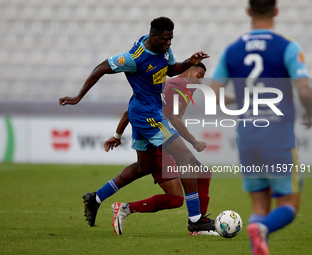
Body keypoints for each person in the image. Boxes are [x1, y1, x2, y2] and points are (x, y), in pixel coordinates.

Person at [59, 17, 215, 234]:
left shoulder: (164, 51)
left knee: (144, 167)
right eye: (165, 39)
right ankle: (196, 220)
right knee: (186, 159)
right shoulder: (134, 58)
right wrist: (78, 97)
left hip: (142, 113)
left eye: (171, 39)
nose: (169, 44)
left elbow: (171, 69)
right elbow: (101, 67)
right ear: (153, 36)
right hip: (149, 117)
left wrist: (189, 61)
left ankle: (95, 197)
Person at [210, 1, 312, 254]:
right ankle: (262, 230)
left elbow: (213, 94)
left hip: (247, 139)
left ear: (248, 12)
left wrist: (243, 101)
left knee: (259, 207)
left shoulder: (232, 50)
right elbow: (304, 90)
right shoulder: (287, 46)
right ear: (276, 11)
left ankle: (258, 240)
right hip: (278, 139)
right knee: (289, 205)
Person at [105, 62, 217, 235]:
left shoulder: (171, 85)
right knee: (178, 194)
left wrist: (118, 134)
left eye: (203, 77)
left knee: (187, 188)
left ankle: (197, 223)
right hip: (161, 144)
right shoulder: (182, 85)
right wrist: (194, 141)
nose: (200, 81)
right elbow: (175, 118)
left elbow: (131, 111)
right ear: (186, 72)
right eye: (198, 75)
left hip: (160, 140)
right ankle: (197, 224)